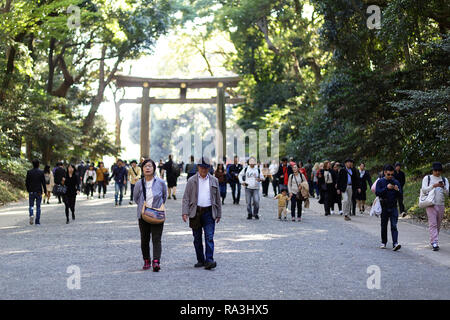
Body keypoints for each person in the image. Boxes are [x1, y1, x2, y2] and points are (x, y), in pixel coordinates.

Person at [182, 157, 222, 270]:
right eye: (201, 167)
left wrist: (219, 213)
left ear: (209, 168)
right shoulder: (191, 181)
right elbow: (185, 198)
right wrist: (185, 212)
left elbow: (218, 198)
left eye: (206, 167)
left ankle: (209, 260)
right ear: (198, 167)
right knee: (197, 238)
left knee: (209, 237)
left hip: (209, 212)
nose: (204, 169)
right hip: (195, 212)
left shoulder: (214, 180)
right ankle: (200, 260)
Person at [133, 158, 167, 271]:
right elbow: (136, 198)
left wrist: (155, 208)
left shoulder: (161, 183)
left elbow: (164, 197)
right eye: (145, 166)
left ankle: (156, 261)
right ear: (142, 169)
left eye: (150, 166)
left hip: (157, 214)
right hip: (143, 215)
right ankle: (146, 260)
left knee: (157, 239)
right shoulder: (139, 183)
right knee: (145, 238)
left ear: (154, 168)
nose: (147, 168)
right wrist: (145, 208)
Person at [421, 162, 448, 251]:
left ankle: (433, 240)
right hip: (430, 203)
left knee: (438, 224)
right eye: (435, 170)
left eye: (439, 170)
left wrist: (443, 187)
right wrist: (433, 186)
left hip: (441, 204)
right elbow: (424, 190)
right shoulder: (427, 178)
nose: (437, 172)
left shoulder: (444, 179)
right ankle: (435, 242)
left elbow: (447, 193)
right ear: (432, 170)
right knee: (433, 224)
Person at [376, 164, 402, 251]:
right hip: (384, 206)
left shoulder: (396, 182)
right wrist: (386, 188)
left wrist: (397, 190)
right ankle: (384, 242)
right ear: (384, 173)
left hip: (394, 206)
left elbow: (400, 194)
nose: (390, 176)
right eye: (388, 174)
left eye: (392, 174)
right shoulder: (380, 182)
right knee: (384, 225)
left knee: (394, 225)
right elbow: (377, 192)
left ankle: (395, 243)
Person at [25, 159, 47, 225]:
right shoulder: (41, 172)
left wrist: (28, 189)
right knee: (38, 206)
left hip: (31, 191)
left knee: (31, 205)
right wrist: (45, 191)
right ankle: (37, 221)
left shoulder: (29, 172)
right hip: (38, 191)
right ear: (38, 164)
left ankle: (31, 214)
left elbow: (26, 182)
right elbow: (43, 182)